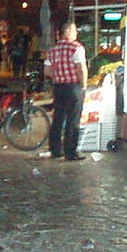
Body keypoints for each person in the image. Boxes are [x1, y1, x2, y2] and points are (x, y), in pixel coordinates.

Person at [43, 21, 88, 161]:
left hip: (59, 87)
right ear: (68, 31)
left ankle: (55, 149)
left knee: (58, 118)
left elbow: (47, 70)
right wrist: (84, 85)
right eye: (74, 30)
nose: (76, 33)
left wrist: (59, 76)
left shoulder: (53, 50)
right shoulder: (76, 48)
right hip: (74, 87)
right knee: (73, 119)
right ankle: (70, 152)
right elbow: (81, 69)